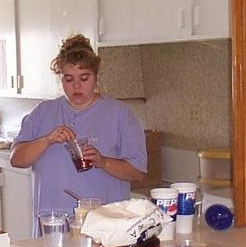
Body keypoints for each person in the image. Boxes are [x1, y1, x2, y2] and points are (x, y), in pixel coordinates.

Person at [10, 34, 147, 235]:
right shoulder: (43, 112)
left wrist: (103, 162)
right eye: (68, 79)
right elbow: (16, 159)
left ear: (96, 77)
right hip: (52, 224)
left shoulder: (119, 114)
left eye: (84, 78)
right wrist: (46, 140)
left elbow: (138, 172)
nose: (76, 86)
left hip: (101, 227)